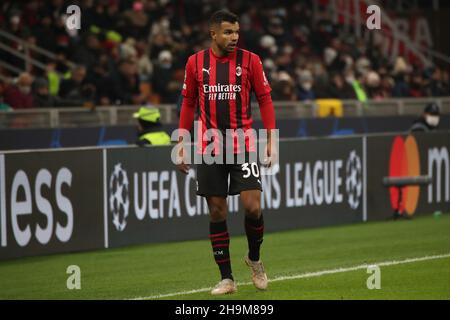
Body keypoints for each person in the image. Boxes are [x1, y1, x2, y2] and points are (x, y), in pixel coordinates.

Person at [176, 10, 276, 295]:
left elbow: (265, 100)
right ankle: (227, 278)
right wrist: (181, 144)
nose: (234, 37)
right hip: (209, 146)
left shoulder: (251, 61)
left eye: (236, 32)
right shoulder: (195, 63)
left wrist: (271, 139)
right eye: (228, 32)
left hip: (243, 143)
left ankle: (254, 259)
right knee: (217, 211)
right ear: (214, 34)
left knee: (252, 206)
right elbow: (187, 104)